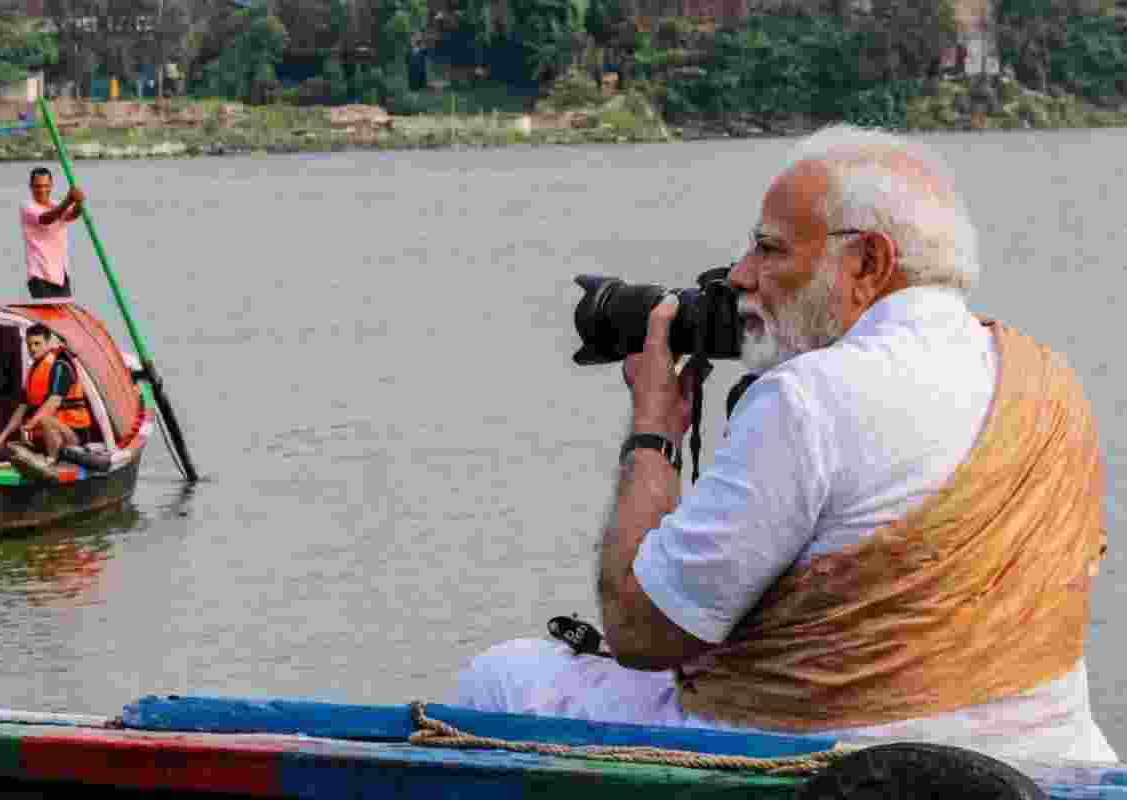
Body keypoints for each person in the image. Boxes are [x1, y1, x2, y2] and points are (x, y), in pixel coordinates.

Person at [454, 124, 1117, 763]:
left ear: (868, 262)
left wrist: (654, 429)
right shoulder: (1049, 380)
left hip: (835, 762)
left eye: (769, 250)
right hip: (1048, 756)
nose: (741, 276)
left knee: (506, 675)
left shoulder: (808, 399)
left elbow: (640, 631)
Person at [0, 323, 94, 465]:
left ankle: (51, 461)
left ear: (48, 343)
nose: (32, 348)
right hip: (46, 434)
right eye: (29, 344)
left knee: (44, 420)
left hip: (73, 434)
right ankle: (42, 457)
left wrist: (29, 426)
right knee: (5, 449)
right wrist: (1, 438)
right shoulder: (33, 371)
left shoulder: (60, 365)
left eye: (37, 344)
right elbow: (21, 409)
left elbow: (52, 403)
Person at [21, 166, 85, 299]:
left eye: (46, 186)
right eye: (38, 186)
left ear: (51, 186)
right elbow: (46, 219)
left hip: (61, 275)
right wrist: (68, 200)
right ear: (31, 186)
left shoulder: (56, 205)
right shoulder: (27, 206)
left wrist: (79, 202)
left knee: (65, 317)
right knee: (48, 318)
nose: (42, 190)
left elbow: (72, 216)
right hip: (40, 277)